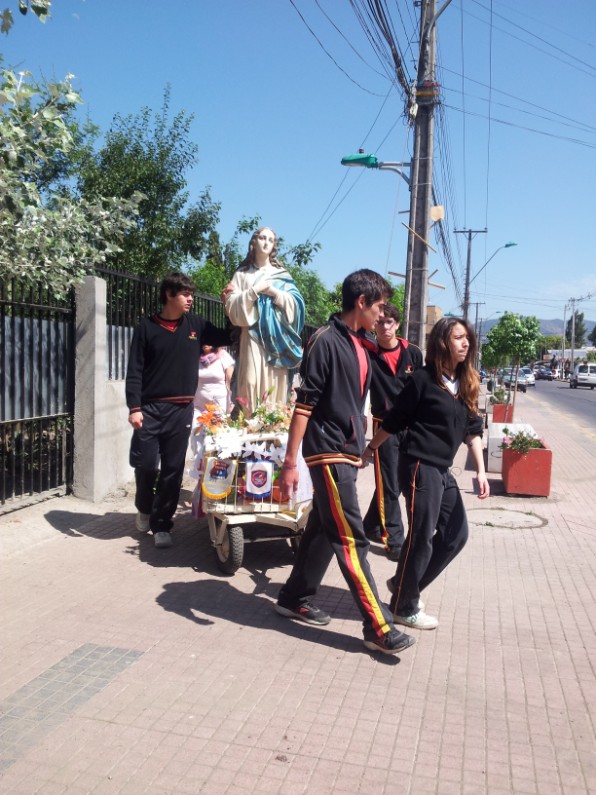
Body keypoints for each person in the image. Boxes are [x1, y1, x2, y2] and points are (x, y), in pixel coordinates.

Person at [275, 269, 416, 656]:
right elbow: (304, 404)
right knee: (352, 538)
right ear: (361, 302)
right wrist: (290, 463)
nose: (382, 315)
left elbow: (390, 385)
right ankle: (378, 626)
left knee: (324, 527)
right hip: (327, 450)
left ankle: (293, 597)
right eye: (379, 307)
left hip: (347, 449)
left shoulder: (362, 342)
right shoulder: (324, 340)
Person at [362, 316, 490, 630]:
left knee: (455, 535)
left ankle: (403, 585)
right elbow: (395, 420)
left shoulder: (467, 381)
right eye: (458, 337)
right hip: (419, 464)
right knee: (421, 536)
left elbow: (473, 431)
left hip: (442, 469)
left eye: (467, 338)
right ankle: (404, 606)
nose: (466, 343)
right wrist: (370, 449)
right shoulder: (422, 379)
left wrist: (481, 472)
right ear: (443, 342)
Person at [126, 273, 230, 549]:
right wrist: (134, 407)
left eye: (191, 294)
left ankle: (162, 524)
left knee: (173, 469)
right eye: (185, 294)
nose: (190, 298)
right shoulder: (146, 328)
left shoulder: (195, 325)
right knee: (146, 465)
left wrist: (229, 305)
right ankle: (144, 507)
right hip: (149, 409)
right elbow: (134, 371)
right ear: (169, 295)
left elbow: (228, 336)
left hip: (182, 410)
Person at [361, 303, 422, 561]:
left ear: (397, 324)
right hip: (383, 426)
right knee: (388, 483)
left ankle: (370, 526)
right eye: (379, 322)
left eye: (389, 322)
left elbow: (422, 390)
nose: (384, 326)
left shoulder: (413, 353)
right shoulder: (369, 355)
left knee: (399, 481)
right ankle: (394, 540)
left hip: (411, 426)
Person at [222, 227, 305, 416]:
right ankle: (250, 422)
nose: (266, 242)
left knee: (274, 386)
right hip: (251, 337)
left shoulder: (281, 275)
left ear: (274, 246)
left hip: (276, 340)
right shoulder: (242, 275)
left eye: (270, 239)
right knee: (250, 381)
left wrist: (274, 292)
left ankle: (272, 421)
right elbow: (232, 307)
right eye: (262, 238)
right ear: (254, 242)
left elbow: (297, 306)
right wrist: (254, 291)